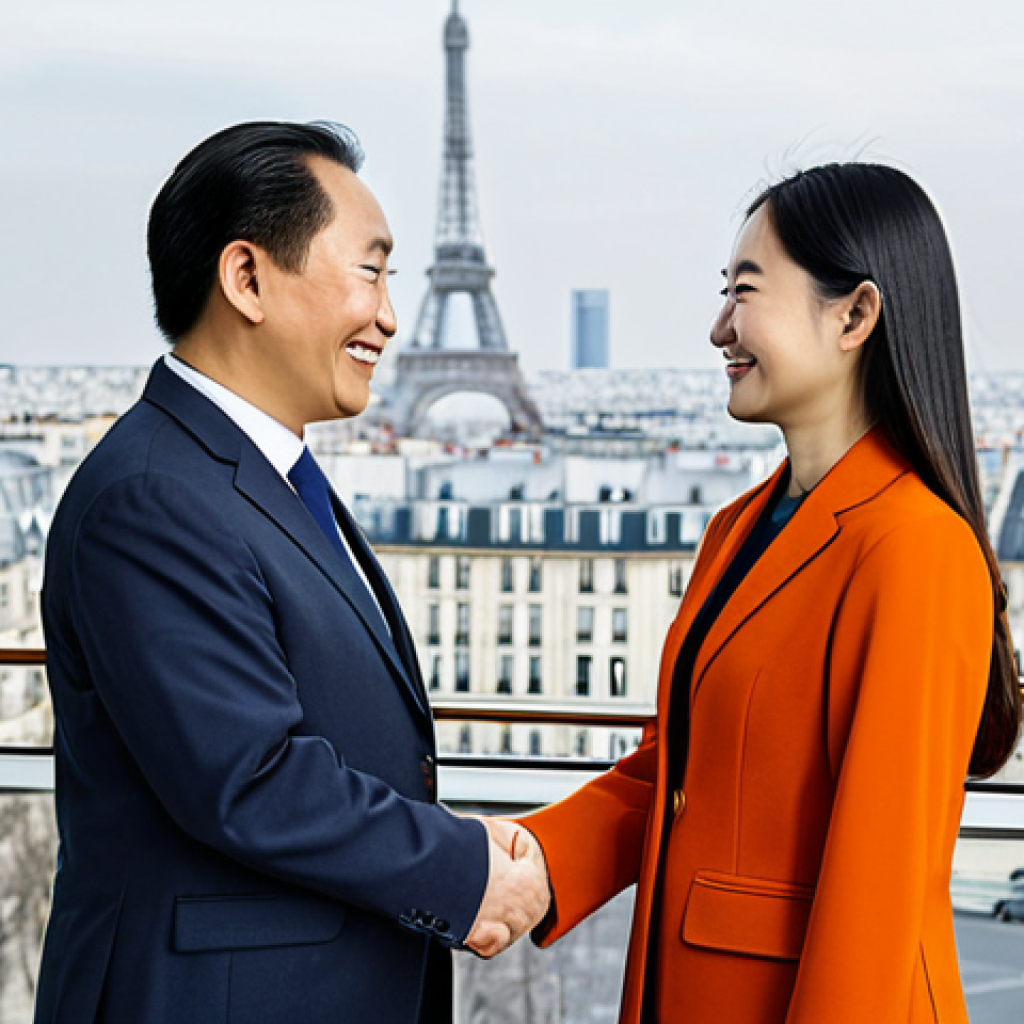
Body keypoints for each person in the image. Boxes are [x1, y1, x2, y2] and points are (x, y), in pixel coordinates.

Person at [35, 121, 548, 1024]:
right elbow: (249, 775)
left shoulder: (247, 476)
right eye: (371, 271)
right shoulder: (154, 496)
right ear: (247, 279)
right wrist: (460, 867)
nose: (390, 315)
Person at [516, 163, 1022, 1023]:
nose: (719, 327)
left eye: (743, 292)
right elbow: (681, 771)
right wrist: (540, 862)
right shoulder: (741, 526)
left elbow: (878, 890)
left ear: (855, 314)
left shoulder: (917, 549)